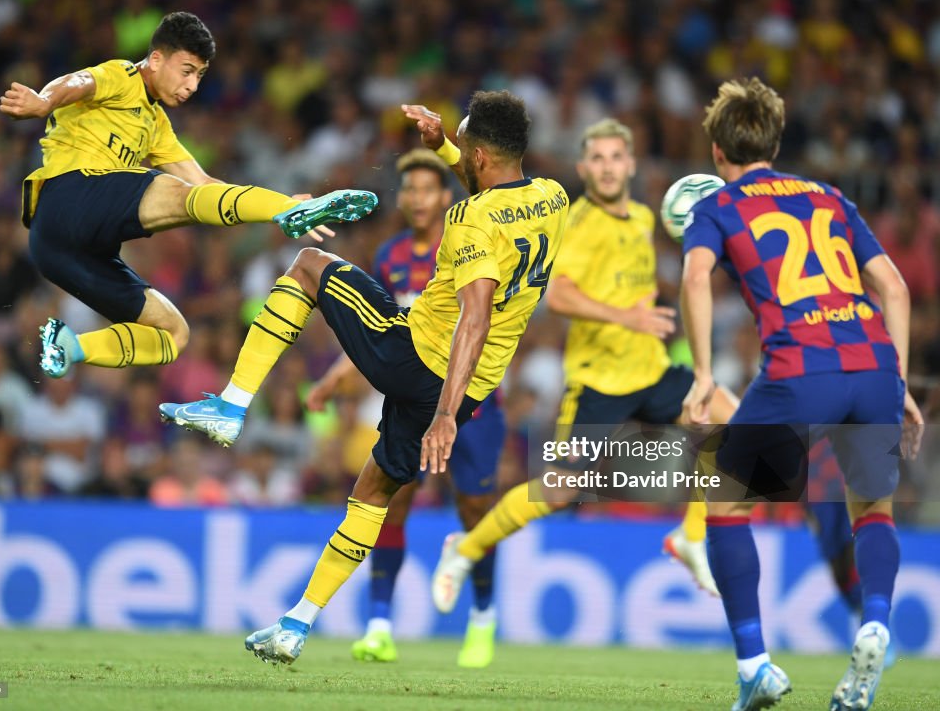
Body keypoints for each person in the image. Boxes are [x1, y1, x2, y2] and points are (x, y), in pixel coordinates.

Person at [159, 91, 568, 665]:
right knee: (373, 492)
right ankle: (297, 624)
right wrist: (446, 147)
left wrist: (444, 417)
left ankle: (232, 404)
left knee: (306, 265)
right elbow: (495, 192)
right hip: (470, 387)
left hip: (418, 356)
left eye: (464, 144)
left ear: (478, 157)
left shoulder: (468, 220)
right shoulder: (552, 197)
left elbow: (475, 313)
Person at [679, 77, 922, 711]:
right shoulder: (830, 197)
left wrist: (704, 373)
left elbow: (696, 276)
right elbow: (893, 287)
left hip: (800, 367)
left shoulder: (720, 206)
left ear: (717, 150)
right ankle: (874, 623)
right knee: (873, 509)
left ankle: (755, 664)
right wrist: (898, 377)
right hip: (871, 361)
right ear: (775, 140)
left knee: (725, 499)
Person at [430, 118, 739, 613]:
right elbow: (561, 294)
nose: (608, 166)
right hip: (599, 381)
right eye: (597, 158)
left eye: (617, 156)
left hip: (652, 370)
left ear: (632, 164)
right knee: (559, 490)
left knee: (729, 423)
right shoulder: (575, 221)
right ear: (583, 167)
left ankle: (690, 538)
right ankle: (464, 551)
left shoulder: (641, 217)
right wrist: (629, 316)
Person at [0, 11, 376, 379]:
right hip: (69, 197)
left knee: (173, 335)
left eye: (199, 75)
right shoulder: (122, 74)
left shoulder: (158, 125)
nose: (192, 86)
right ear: (158, 58)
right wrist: (44, 101)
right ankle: (289, 211)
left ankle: (68, 346)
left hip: (58, 251)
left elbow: (205, 186)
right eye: (186, 71)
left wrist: (279, 199)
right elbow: (78, 81)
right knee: (174, 195)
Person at [305, 149, 506, 668]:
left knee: (474, 510)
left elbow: (484, 323)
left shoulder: (469, 241)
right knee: (391, 501)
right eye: (408, 190)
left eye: (427, 189)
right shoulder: (392, 257)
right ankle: (378, 626)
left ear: (446, 196)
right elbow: (388, 333)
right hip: (416, 402)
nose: (417, 199)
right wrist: (331, 379)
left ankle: (483, 618)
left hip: (472, 408)